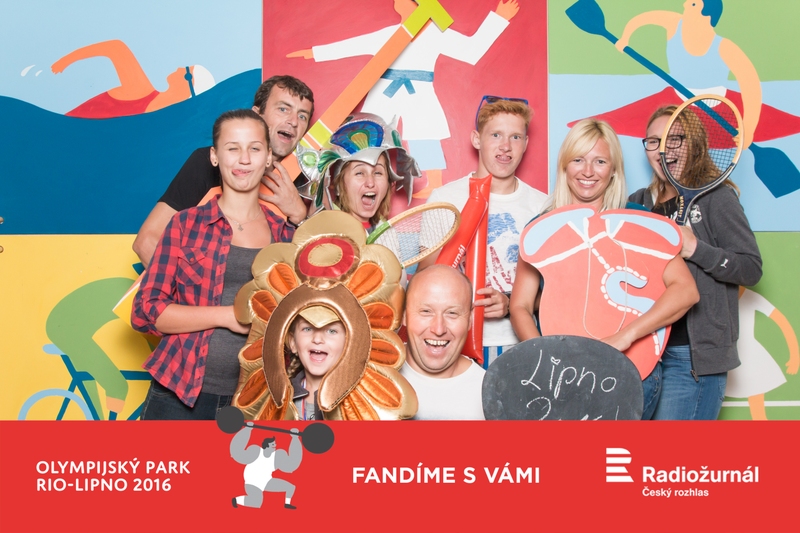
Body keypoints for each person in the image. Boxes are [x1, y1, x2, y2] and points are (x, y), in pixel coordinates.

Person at [510, 118, 699, 419]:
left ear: (613, 170)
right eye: (578, 160)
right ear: (564, 166)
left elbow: (686, 291)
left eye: (600, 161)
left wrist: (626, 336)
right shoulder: (541, 229)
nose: (588, 171)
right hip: (565, 376)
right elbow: (520, 305)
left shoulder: (637, 220)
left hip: (633, 371)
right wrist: (546, 360)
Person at [131, 109, 295, 419]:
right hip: (178, 394)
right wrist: (227, 316)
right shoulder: (185, 225)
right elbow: (146, 312)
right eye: (233, 148)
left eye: (254, 148)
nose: (244, 159)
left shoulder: (285, 236)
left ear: (268, 157)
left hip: (255, 399)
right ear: (215, 157)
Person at [288, 0, 520, 199]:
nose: (396, 2)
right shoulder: (392, 33)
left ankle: (434, 182)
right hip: (385, 87)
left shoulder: (436, 35)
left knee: (425, 132)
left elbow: (471, 50)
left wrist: (499, 18)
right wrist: (314, 52)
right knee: (368, 134)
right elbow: (353, 45)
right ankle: (359, 182)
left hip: (419, 89)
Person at [629, 106, 762, 420]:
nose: (663, 150)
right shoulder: (638, 202)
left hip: (690, 358)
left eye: (675, 139)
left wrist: (696, 249)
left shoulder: (717, 198)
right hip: (644, 350)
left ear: (696, 144)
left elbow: (751, 268)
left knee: (674, 452)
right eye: (654, 141)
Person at [418, 97, 548, 369]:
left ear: (525, 144)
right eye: (496, 135)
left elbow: (552, 293)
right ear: (476, 139)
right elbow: (423, 280)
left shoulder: (542, 206)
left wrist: (511, 303)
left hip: (516, 345)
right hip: (452, 343)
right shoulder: (445, 199)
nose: (505, 146)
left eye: (515, 137)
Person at [133, 75, 314, 266]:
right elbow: (146, 242)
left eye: (302, 116)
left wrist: (300, 217)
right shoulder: (210, 163)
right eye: (283, 109)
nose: (293, 121)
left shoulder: (306, 183)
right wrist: (193, 284)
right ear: (257, 115)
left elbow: (312, 270)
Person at [400, 265, 485, 420]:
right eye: (426, 311)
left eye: (452, 313)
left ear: (470, 319)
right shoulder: (373, 375)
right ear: (404, 315)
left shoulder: (488, 393)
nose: (438, 329)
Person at [52, 39, 215, 119]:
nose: (180, 68)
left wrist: (65, 60)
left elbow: (116, 48)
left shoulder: (140, 91)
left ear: (188, 83)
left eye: (187, 71)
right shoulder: (157, 119)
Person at [318, 112, 420, 233]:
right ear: (339, 185)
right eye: (359, 173)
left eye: (378, 173)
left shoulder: (387, 233)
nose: (370, 183)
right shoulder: (325, 230)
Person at [286, 307, 347, 421]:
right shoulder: (280, 396)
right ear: (293, 342)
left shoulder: (361, 400)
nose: (317, 339)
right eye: (307, 329)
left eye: (331, 331)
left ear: (348, 343)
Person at [230, 424, 302, 510]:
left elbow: (292, 463)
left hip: (266, 481)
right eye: (273, 444)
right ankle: (236, 500)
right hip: (253, 481)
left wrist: (295, 438)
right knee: (256, 503)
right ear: (267, 445)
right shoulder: (256, 452)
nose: (275, 445)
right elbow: (238, 452)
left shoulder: (276, 457)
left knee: (290, 487)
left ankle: (287, 504)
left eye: (275, 444)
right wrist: (247, 430)